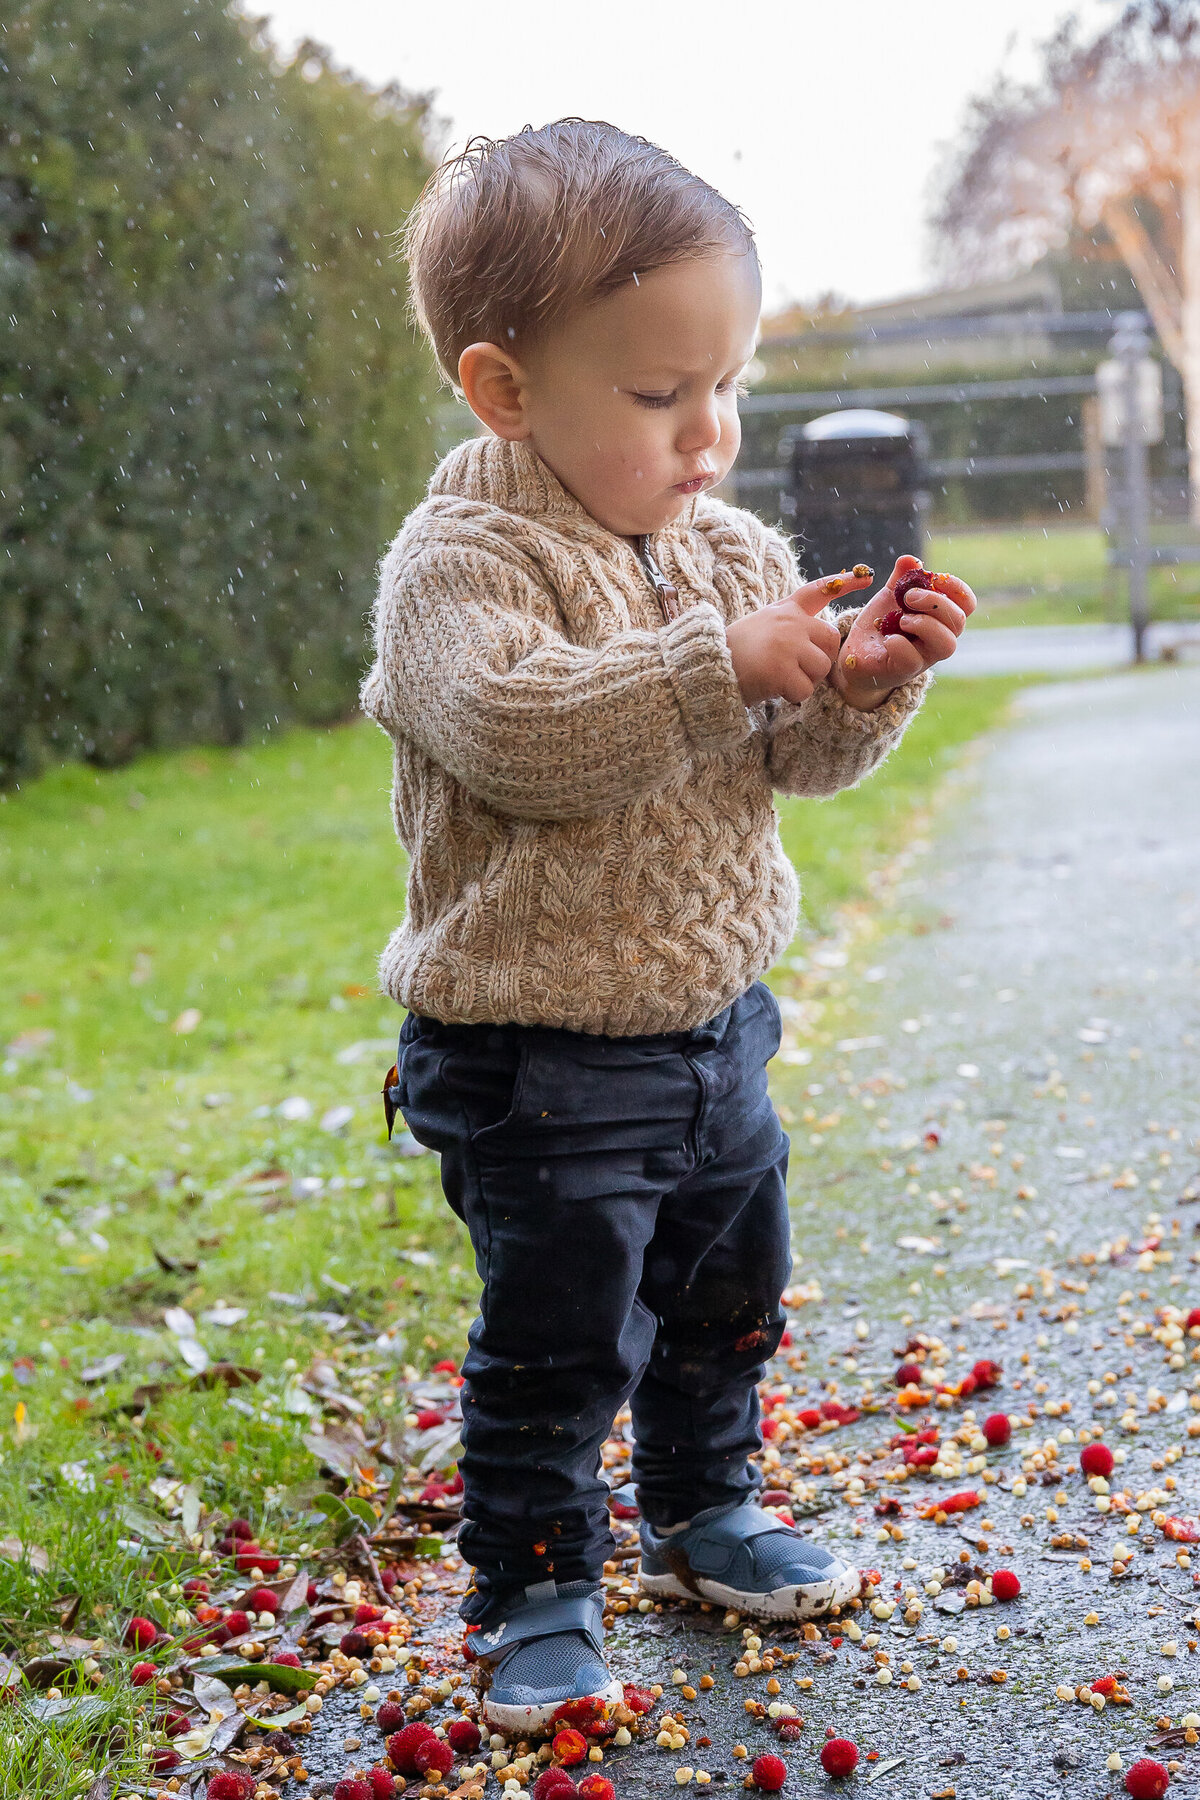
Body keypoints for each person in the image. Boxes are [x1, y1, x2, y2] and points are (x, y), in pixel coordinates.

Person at [360, 119, 975, 1735]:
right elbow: (521, 732)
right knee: (562, 1340)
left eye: (728, 386)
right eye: (657, 396)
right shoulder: (460, 566)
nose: (708, 434)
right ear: (505, 390)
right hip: (538, 1053)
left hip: (719, 1029)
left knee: (726, 1295)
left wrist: (863, 684)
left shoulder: (728, 548)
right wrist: (718, 668)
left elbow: (795, 766)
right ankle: (538, 1589)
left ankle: (706, 1507)